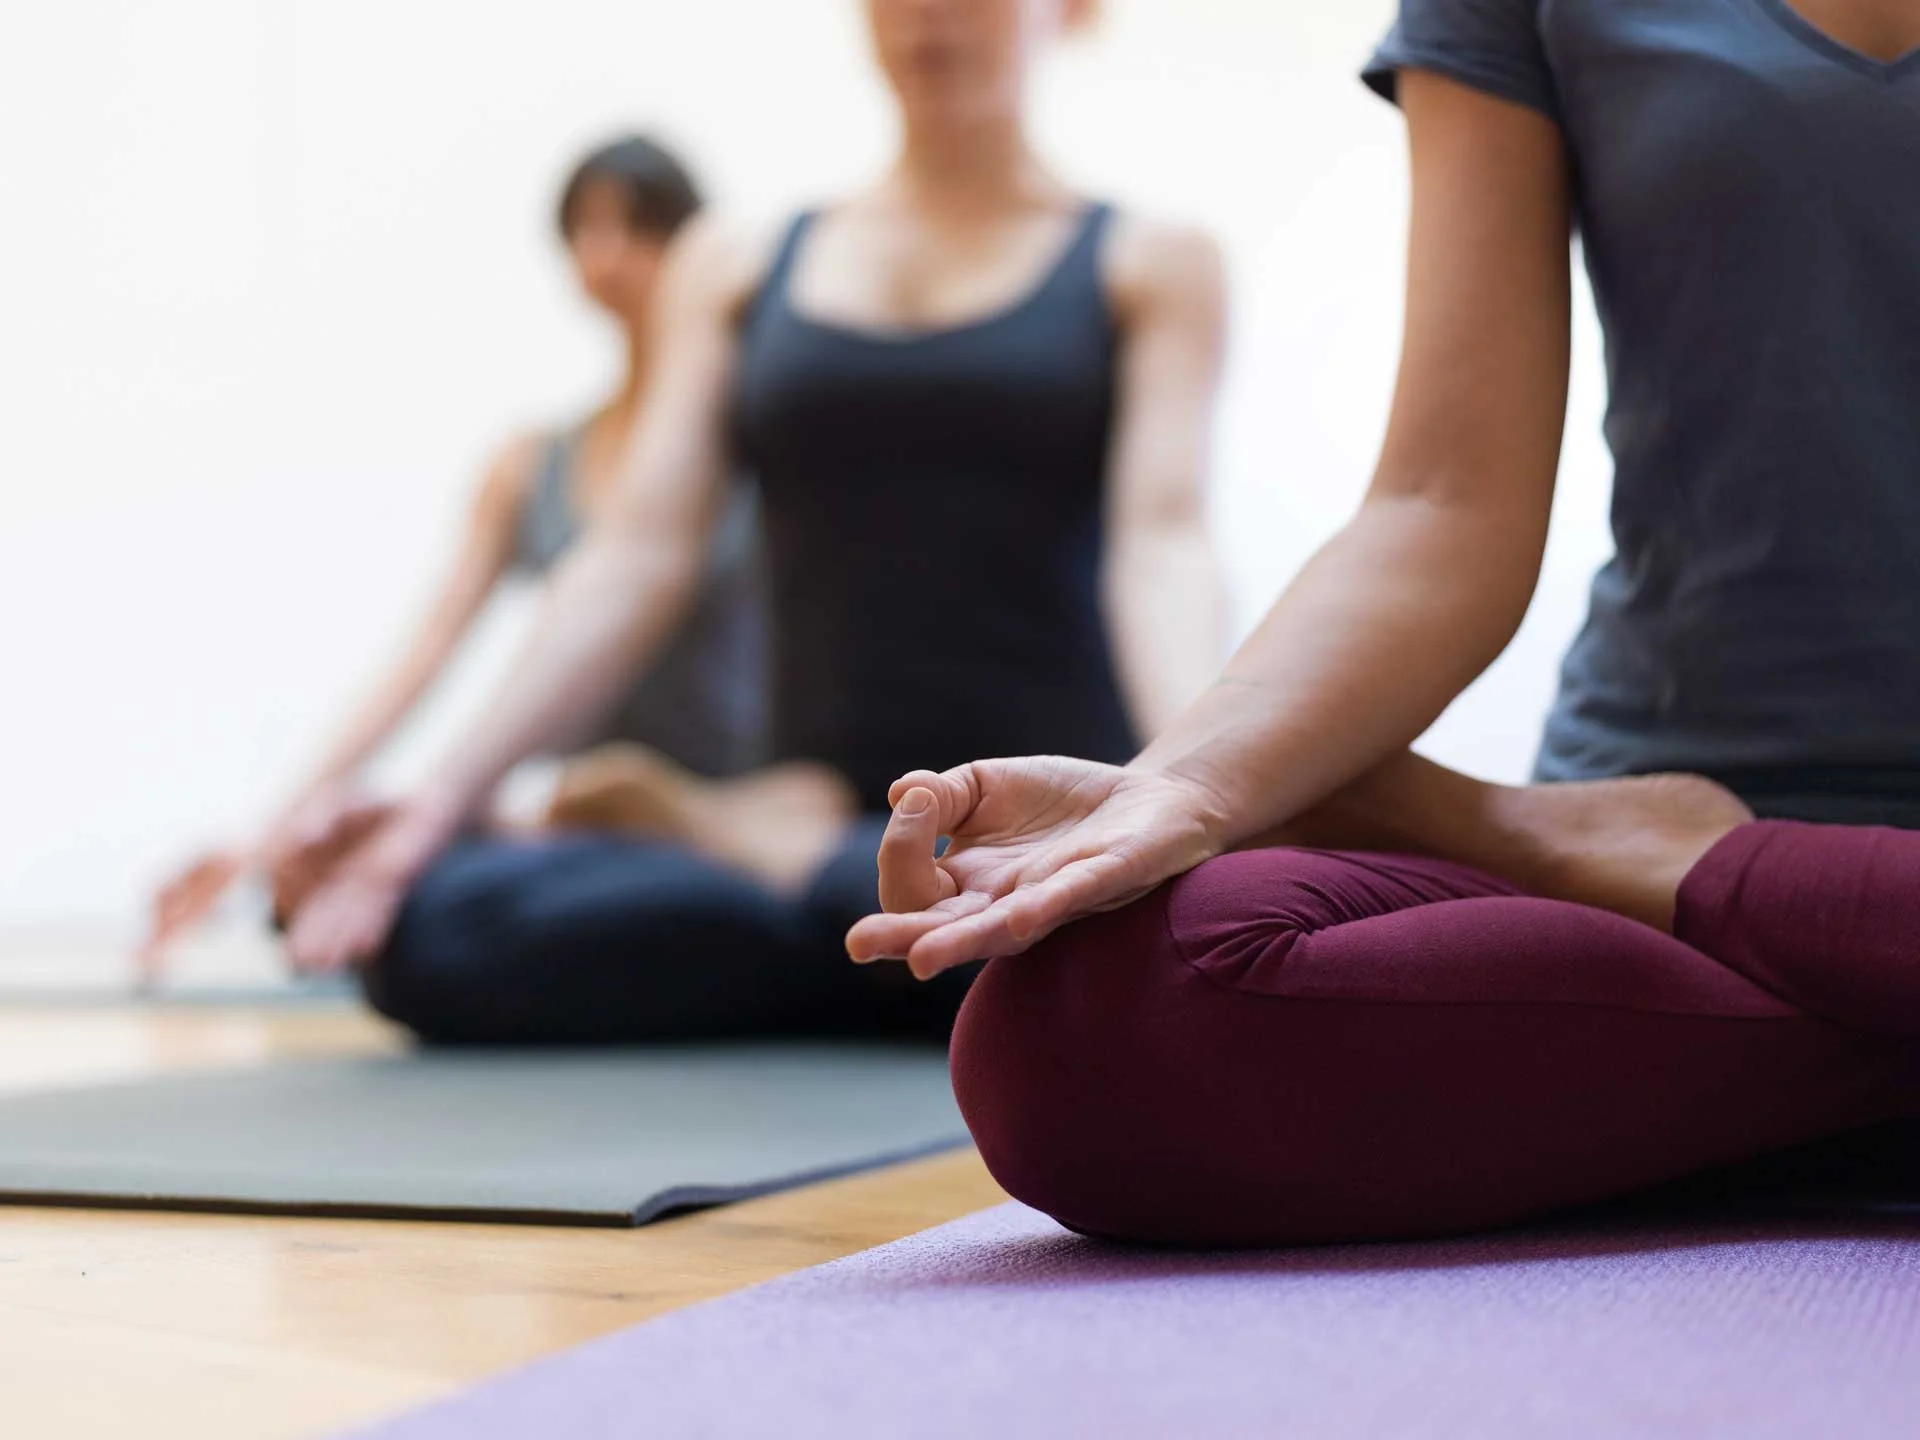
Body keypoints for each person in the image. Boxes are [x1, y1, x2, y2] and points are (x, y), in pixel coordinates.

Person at [850, 0, 1920, 1246]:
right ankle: (1807, 955)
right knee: (1098, 1024)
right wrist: (1185, 787)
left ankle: (1705, 911)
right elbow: (1440, 502)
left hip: (1666, 876)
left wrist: (1495, 834)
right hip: (1637, 838)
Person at [272, 0, 1229, 1046]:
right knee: (431, 933)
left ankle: (794, 882)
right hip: (810, 799)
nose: (928, 14)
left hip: (1035, 821)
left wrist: (1189, 798)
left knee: (1129, 936)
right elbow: (636, 556)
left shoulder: (1152, 262)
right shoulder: (736, 263)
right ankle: (849, 910)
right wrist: (438, 804)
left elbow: (1162, 548)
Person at [142, 135, 765, 977]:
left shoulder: (756, 447)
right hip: (573, 820)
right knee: (420, 926)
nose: (611, 255)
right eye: (587, 230)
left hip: (727, 813)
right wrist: (276, 835)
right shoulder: (531, 466)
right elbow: (424, 655)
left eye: (640, 226)